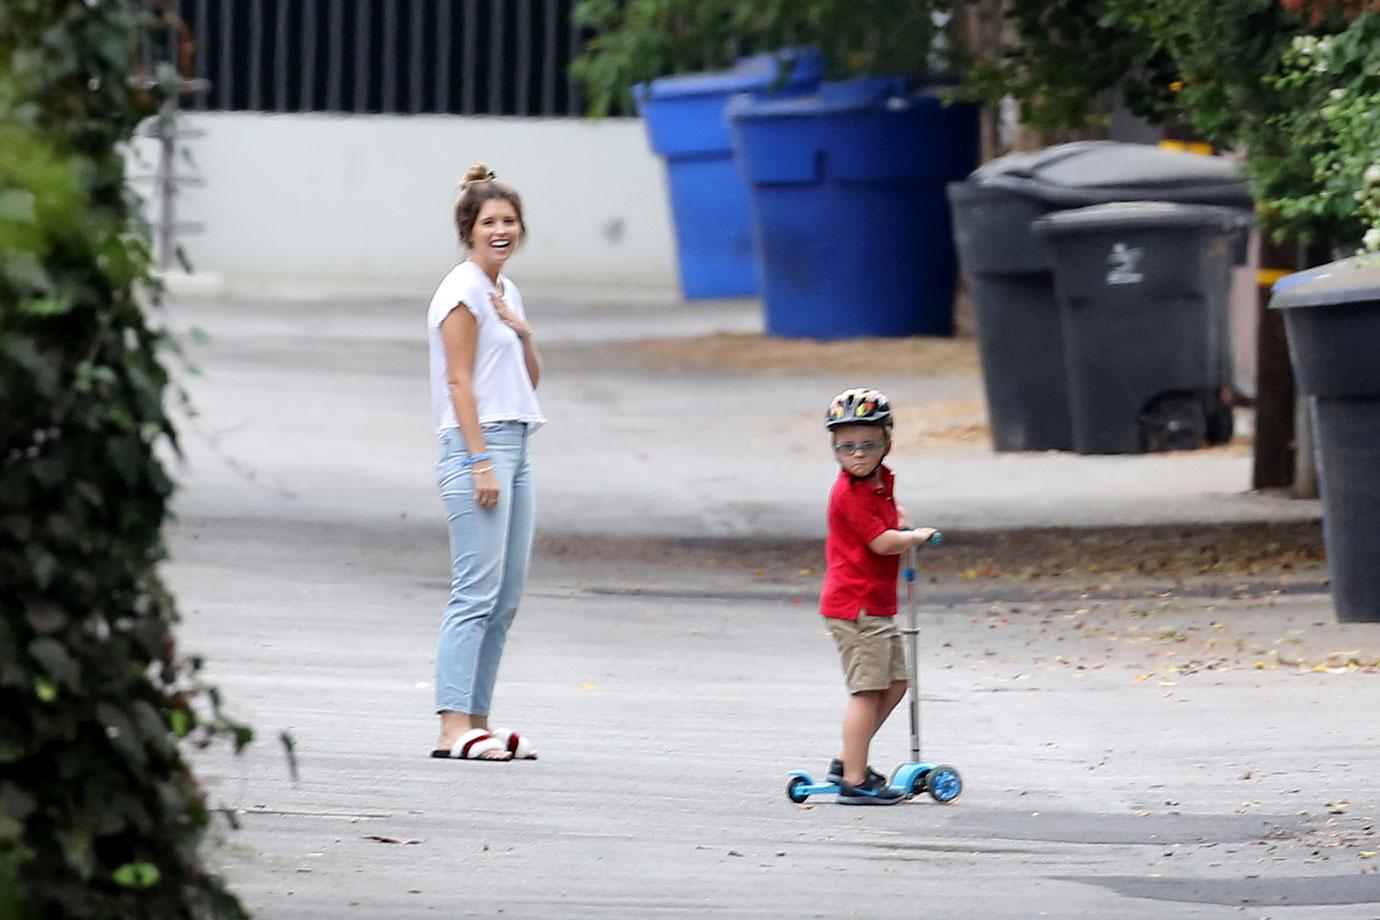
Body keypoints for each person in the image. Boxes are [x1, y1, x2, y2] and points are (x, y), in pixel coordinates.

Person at [426, 164, 545, 762]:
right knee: (474, 593)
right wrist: (479, 462)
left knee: (507, 595)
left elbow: (530, 382)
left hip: (517, 443)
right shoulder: (462, 290)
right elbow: (458, 380)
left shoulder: (504, 292)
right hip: (478, 446)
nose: (501, 230)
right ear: (469, 231)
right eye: (489, 222)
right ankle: (452, 727)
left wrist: (523, 334)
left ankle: (479, 721)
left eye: (509, 221)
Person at [818, 388, 937, 804]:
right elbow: (881, 543)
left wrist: (898, 516)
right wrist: (913, 536)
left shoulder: (879, 481)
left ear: (886, 442)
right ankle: (854, 780)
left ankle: (846, 758)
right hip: (856, 607)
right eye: (847, 447)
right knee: (866, 691)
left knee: (898, 681)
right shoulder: (847, 493)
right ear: (835, 449)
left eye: (869, 445)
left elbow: (883, 515)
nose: (858, 454)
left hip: (877, 605)